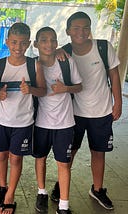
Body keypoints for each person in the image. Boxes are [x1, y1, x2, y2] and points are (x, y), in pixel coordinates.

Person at [50, 11, 122, 210]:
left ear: (90, 29)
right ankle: (60, 185)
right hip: (73, 113)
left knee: (99, 152)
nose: (81, 32)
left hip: (102, 111)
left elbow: (114, 76)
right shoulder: (64, 52)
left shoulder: (103, 47)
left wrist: (118, 103)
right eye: (76, 28)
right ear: (68, 31)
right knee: (69, 152)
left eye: (85, 28)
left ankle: (97, 189)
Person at [0, 22, 46, 214]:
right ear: (7, 42)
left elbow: (43, 91)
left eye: (22, 43)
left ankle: (10, 195)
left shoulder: (33, 66)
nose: (17, 47)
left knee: (16, 159)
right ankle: (2, 187)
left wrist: (31, 90)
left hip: (23, 122)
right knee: (1, 155)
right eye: (13, 42)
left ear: (28, 43)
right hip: (0, 120)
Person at [33, 27, 82, 214]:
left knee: (63, 163)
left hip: (65, 123)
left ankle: (63, 205)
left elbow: (79, 86)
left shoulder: (66, 61)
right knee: (40, 159)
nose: (49, 44)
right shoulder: (32, 65)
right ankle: (41, 192)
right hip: (41, 123)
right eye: (44, 40)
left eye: (53, 40)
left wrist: (66, 88)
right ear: (36, 44)